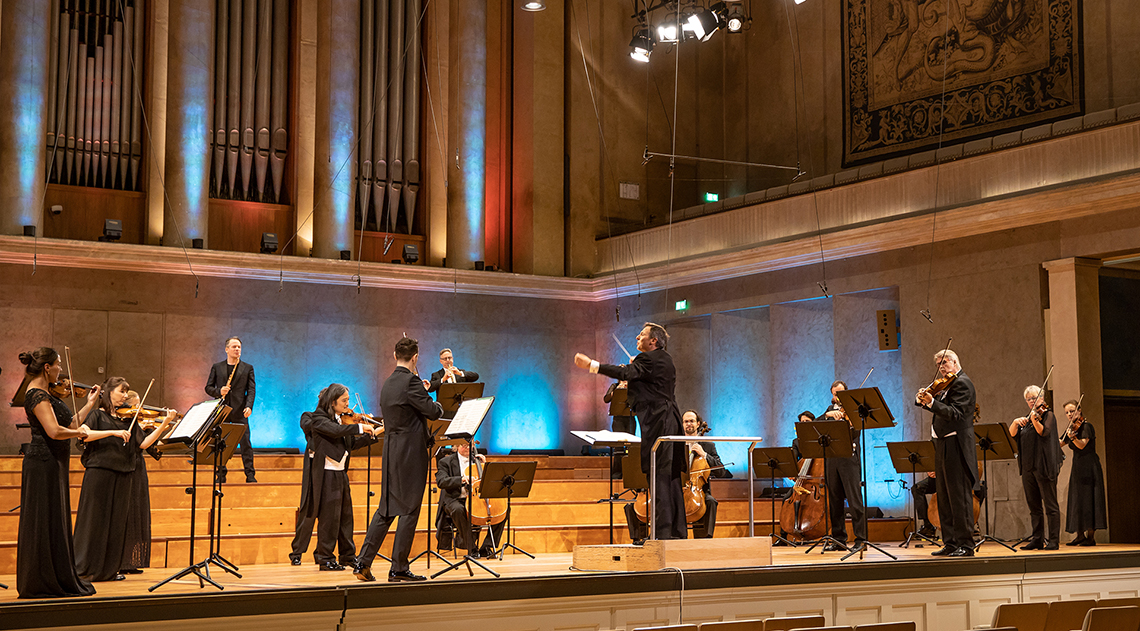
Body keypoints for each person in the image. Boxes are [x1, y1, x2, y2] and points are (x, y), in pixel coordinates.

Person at [575, 322, 687, 540]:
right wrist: (637, 370)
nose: (637, 337)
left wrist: (592, 365)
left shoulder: (648, 359)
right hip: (669, 419)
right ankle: (676, 533)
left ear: (653, 341)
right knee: (670, 477)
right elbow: (642, 378)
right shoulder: (665, 359)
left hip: (657, 421)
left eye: (642, 335)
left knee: (658, 475)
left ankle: (662, 535)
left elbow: (624, 373)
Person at [354, 337, 444, 582]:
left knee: (386, 508)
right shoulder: (412, 382)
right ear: (415, 358)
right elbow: (434, 411)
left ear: (395, 356)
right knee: (410, 509)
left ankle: (363, 562)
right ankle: (399, 568)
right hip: (410, 453)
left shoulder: (389, 382)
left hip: (391, 451)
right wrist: (431, 397)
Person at [73, 377, 176, 582]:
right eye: (122, 391)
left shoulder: (129, 419)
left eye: (126, 392)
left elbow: (144, 444)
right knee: (94, 522)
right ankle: (83, 568)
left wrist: (165, 422)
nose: (125, 396)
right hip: (99, 474)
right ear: (109, 392)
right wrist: (113, 432)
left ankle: (108, 570)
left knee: (116, 524)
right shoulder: (96, 415)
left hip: (124, 474)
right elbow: (82, 435)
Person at [15, 347, 98, 598]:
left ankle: (56, 574)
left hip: (54, 463)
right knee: (44, 518)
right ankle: (40, 580)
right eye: (58, 364)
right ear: (47, 367)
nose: (61, 369)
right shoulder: (37, 395)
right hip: (43, 463)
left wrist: (89, 405)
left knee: (54, 518)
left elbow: (69, 423)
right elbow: (54, 431)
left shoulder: (48, 394)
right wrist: (80, 433)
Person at [289, 384, 382, 569]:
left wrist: (373, 434)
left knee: (346, 517)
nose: (349, 405)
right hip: (325, 474)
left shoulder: (341, 420)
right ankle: (325, 558)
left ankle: (347, 556)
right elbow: (335, 431)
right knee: (329, 518)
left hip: (340, 473)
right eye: (345, 401)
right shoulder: (317, 419)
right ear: (332, 402)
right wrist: (360, 428)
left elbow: (350, 445)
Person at [916, 349, 979, 558]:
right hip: (942, 444)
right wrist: (925, 401)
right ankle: (951, 543)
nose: (941, 367)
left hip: (956, 445)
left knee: (959, 497)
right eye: (938, 365)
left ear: (954, 361)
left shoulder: (963, 383)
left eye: (944, 363)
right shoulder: (945, 385)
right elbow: (940, 408)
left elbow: (956, 413)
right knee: (944, 496)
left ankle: (966, 545)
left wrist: (932, 403)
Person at [1008, 385, 1062, 550]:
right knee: (1034, 506)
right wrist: (1015, 422)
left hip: (1043, 466)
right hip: (1028, 467)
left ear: (1042, 397)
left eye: (1034, 397)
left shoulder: (1048, 415)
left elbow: (1043, 433)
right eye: (1029, 399)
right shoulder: (1027, 418)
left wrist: (1034, 420)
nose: (1032, 401)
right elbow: (1012, 434)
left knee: (1050, 506)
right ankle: (1037, 539)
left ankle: (1053, 540)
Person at [119, 390, 168, 575]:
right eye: (137, 405)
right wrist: (162, 425)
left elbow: (154, 448)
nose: (141, 409)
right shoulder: (125, 422)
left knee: (136, 513)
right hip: (128, 468)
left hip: (138, 469)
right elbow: (143, 444)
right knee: (127, 514)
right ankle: (121, 560)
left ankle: (130, 561)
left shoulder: (141, 424)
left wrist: (163, 428)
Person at [436, 442, 507, 558]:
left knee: (503, 510)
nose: (468, 447)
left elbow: (489, 483)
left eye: (470, 445)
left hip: (476, 499)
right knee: (459, 510)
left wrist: (484, 466)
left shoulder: (477, 460)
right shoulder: (446, 462)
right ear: (456, 446)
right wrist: (462, 479)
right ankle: (472, 547)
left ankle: (486, 547)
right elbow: (441, 481)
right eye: (464, 445)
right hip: (455, 499)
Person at [820, 380, 866, 552]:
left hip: (849, 459)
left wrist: (848, 419)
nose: (837, 397)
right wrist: (829, 416)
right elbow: (817, 422)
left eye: (840, 393)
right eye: (834, 394)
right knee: (835, 501)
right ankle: (839, 539)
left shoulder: (854, 410)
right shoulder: (829, 410)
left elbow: (856, 431)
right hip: (832, 459)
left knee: (855, 500)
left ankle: (861, 539)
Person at [205, 336, 257, 483]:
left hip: (240, 412)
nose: (237, 349)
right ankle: (220, 475)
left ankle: (250, 475)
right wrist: (219, 391)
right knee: (220, 443)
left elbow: (251, 390)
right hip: (222, 412)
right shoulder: (217, 367)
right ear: (226, 349)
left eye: (239, 347)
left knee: (246, 443)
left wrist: (249, 406)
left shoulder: (247, 368)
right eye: (234, 347)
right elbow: (208, 387)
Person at [1059, 399, 1106, 546]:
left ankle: (1091, 537)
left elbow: (1081, 445)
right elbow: (1060, 443)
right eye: (1067, 412)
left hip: (1090, 466)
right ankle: (1079, 535)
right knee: (1078, 499)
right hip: (1078, 467)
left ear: (1079, 410)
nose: (1069, 414)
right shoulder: (1072, 428)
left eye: (1072, 411)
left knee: (1090, 499)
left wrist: (1072, 437)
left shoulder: (1086, 426)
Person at [681, 409, 730, 539]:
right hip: (678, 489)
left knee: (711, 502)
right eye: (686, 421)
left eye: (691, 421)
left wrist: (704, 455)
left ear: (698, 424)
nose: (688, 424)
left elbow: (721, 472)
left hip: (699, 490)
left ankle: (704, 540)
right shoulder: (676, 443)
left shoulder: (708, 445)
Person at [604, 381, 634, 478]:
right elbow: (606, 398)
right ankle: (617, 473)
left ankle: (630, 473)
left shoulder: (633, 387)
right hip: (618, 419)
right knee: (619, 446)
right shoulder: (614, 386)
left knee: (631, 446)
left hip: (630, 418)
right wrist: (616, 391)